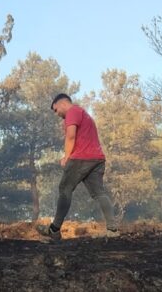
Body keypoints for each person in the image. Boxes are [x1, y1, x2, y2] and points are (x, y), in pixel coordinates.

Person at [38, 93, 120, 240]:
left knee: (65, 189)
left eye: (56, 110)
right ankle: (112, 230)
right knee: (99, 193)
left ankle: (54, 230)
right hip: (97, 159)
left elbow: (71, 136)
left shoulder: (72, 112)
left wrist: (67, 156)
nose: (57, 114)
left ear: (62, 103)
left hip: (81, 158)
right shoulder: (84, 113)